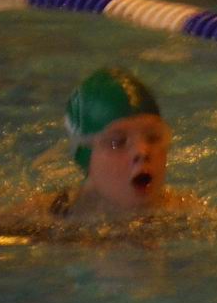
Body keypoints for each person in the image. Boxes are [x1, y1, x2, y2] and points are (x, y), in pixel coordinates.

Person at [53, 66, 174, 220]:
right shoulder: (41, 221)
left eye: (153, 138)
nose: (142, 151)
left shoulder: (190, 216)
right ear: (84, 156)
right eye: (118, 142)